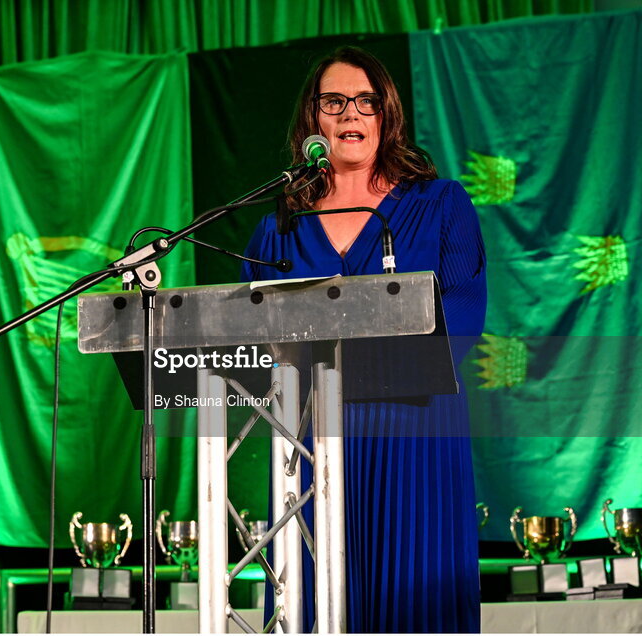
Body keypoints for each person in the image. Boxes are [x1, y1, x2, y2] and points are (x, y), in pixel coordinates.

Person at [241, 46, 486, 633]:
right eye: (334, 101)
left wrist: (352, 367)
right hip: (309, 453)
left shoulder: (441, 206)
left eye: (365, 101)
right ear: (313, 121)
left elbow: (461, 322)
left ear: (386, 115)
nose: (351, 112)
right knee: (317, 607)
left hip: (416, 441)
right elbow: (254, 345)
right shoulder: (277, 228)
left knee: (413, 607)